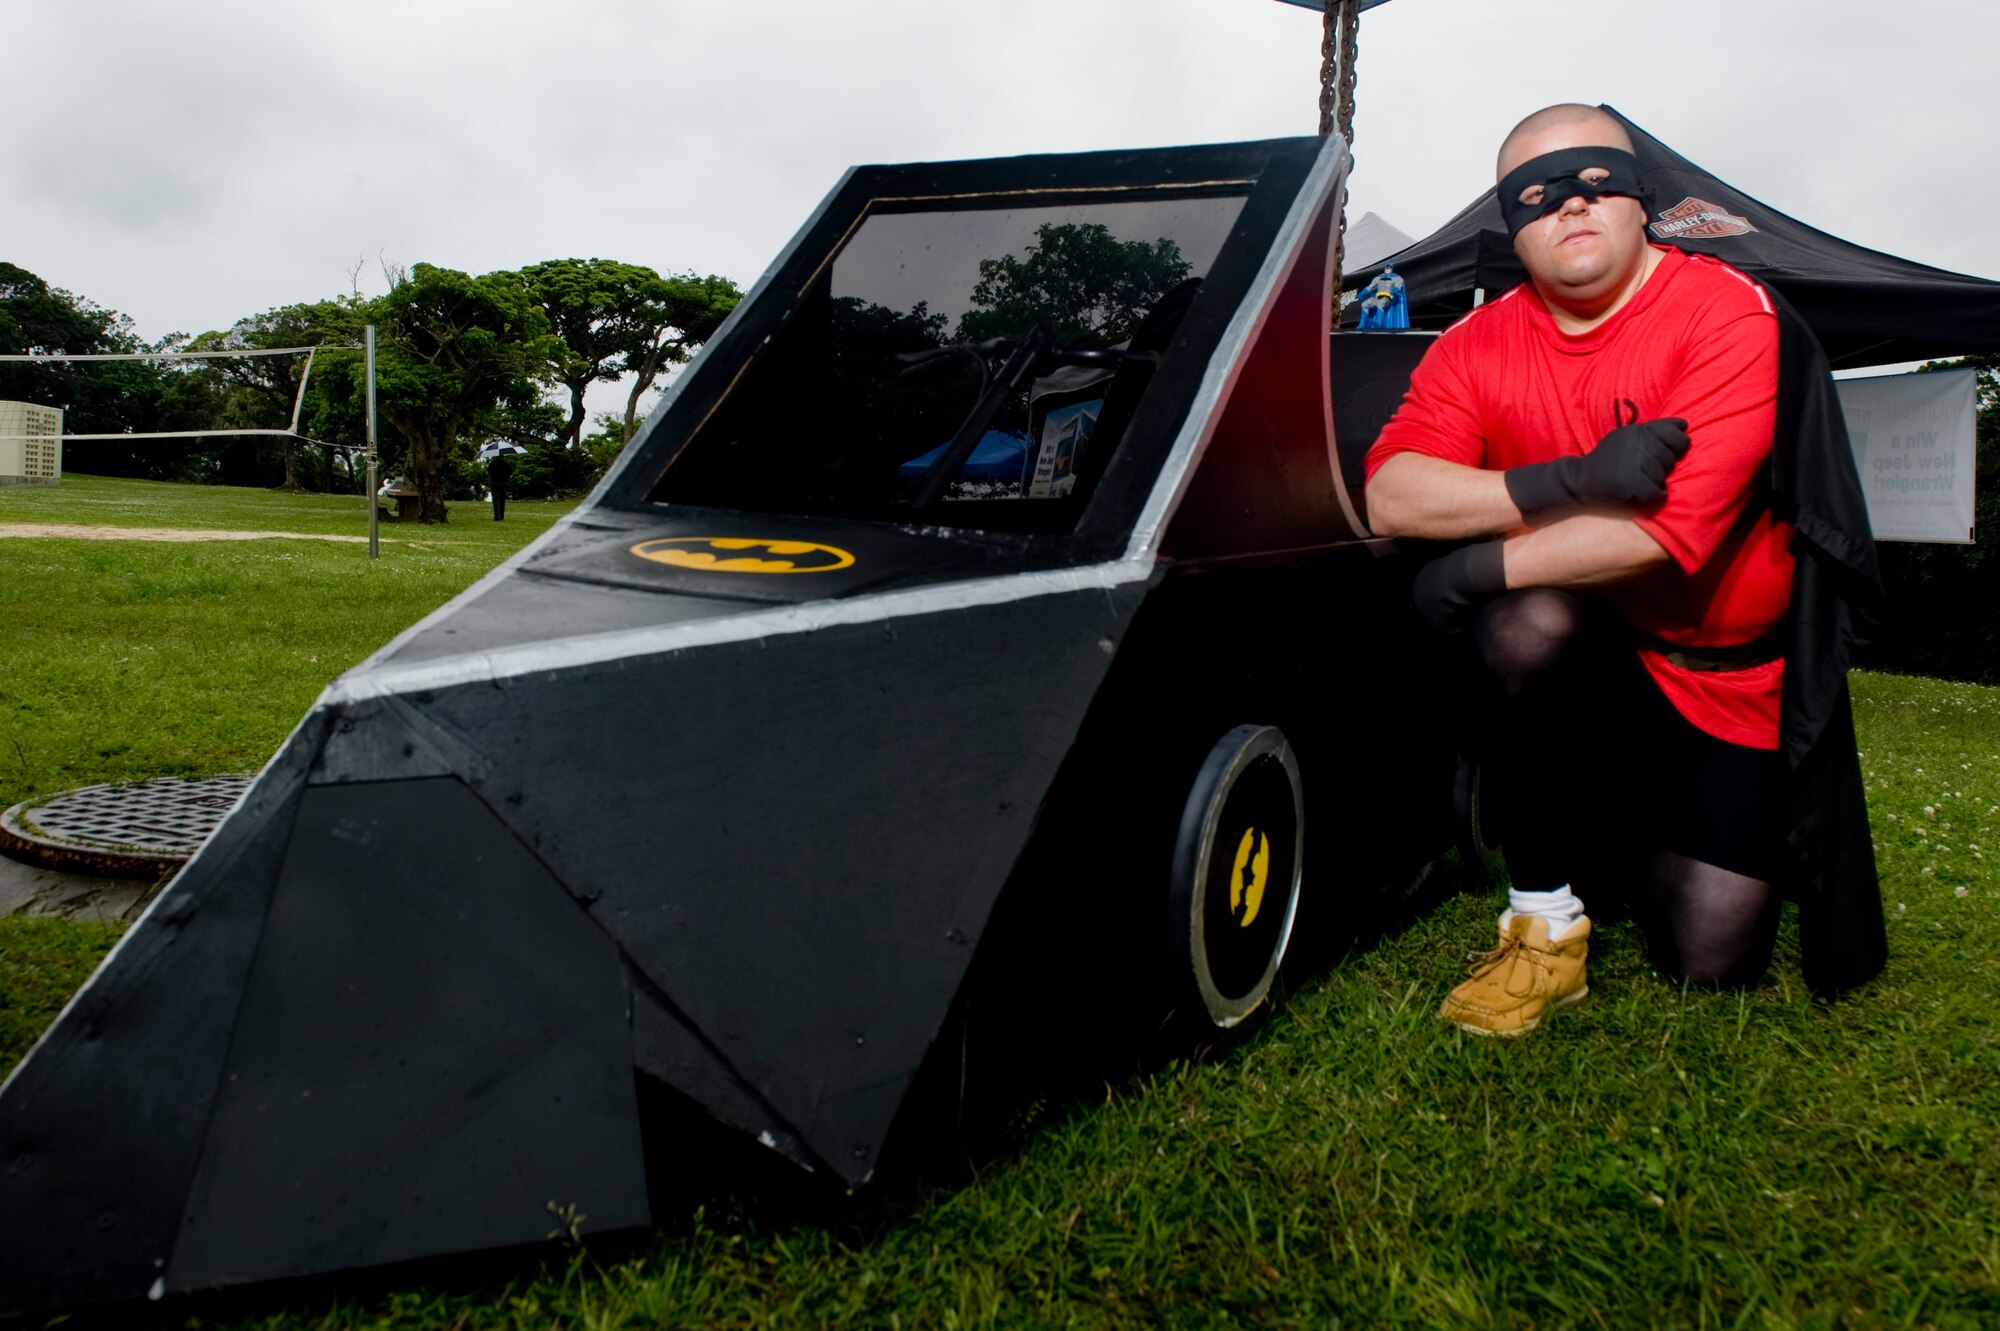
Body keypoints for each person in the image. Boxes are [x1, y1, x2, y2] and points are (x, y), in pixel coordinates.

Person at [1364, 103, 1854, 1037]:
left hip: (1724, 678)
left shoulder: (1727, 312)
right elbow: (1393, 493)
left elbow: (1664, 536)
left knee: (1711, 954)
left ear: (1643, 203)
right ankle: (1543, 921)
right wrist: (1571, 478)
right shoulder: (1475, 343)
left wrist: (1470, 568)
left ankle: (1623, 829)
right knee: (1527, 616)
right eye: (1539, 196)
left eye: (1598, 182)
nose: (1573, 207)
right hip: (1594, 659)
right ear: (1512, 225)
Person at [487, 453, 512, 521]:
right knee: (502, 500)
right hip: (503, 484)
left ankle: (497, 515)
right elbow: (510, 475)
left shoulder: (492, 464)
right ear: (503, 457)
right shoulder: (506, 464)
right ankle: (502, 515)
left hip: (494, 483)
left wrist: (490, 480)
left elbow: (489, 474)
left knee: (495, 500)